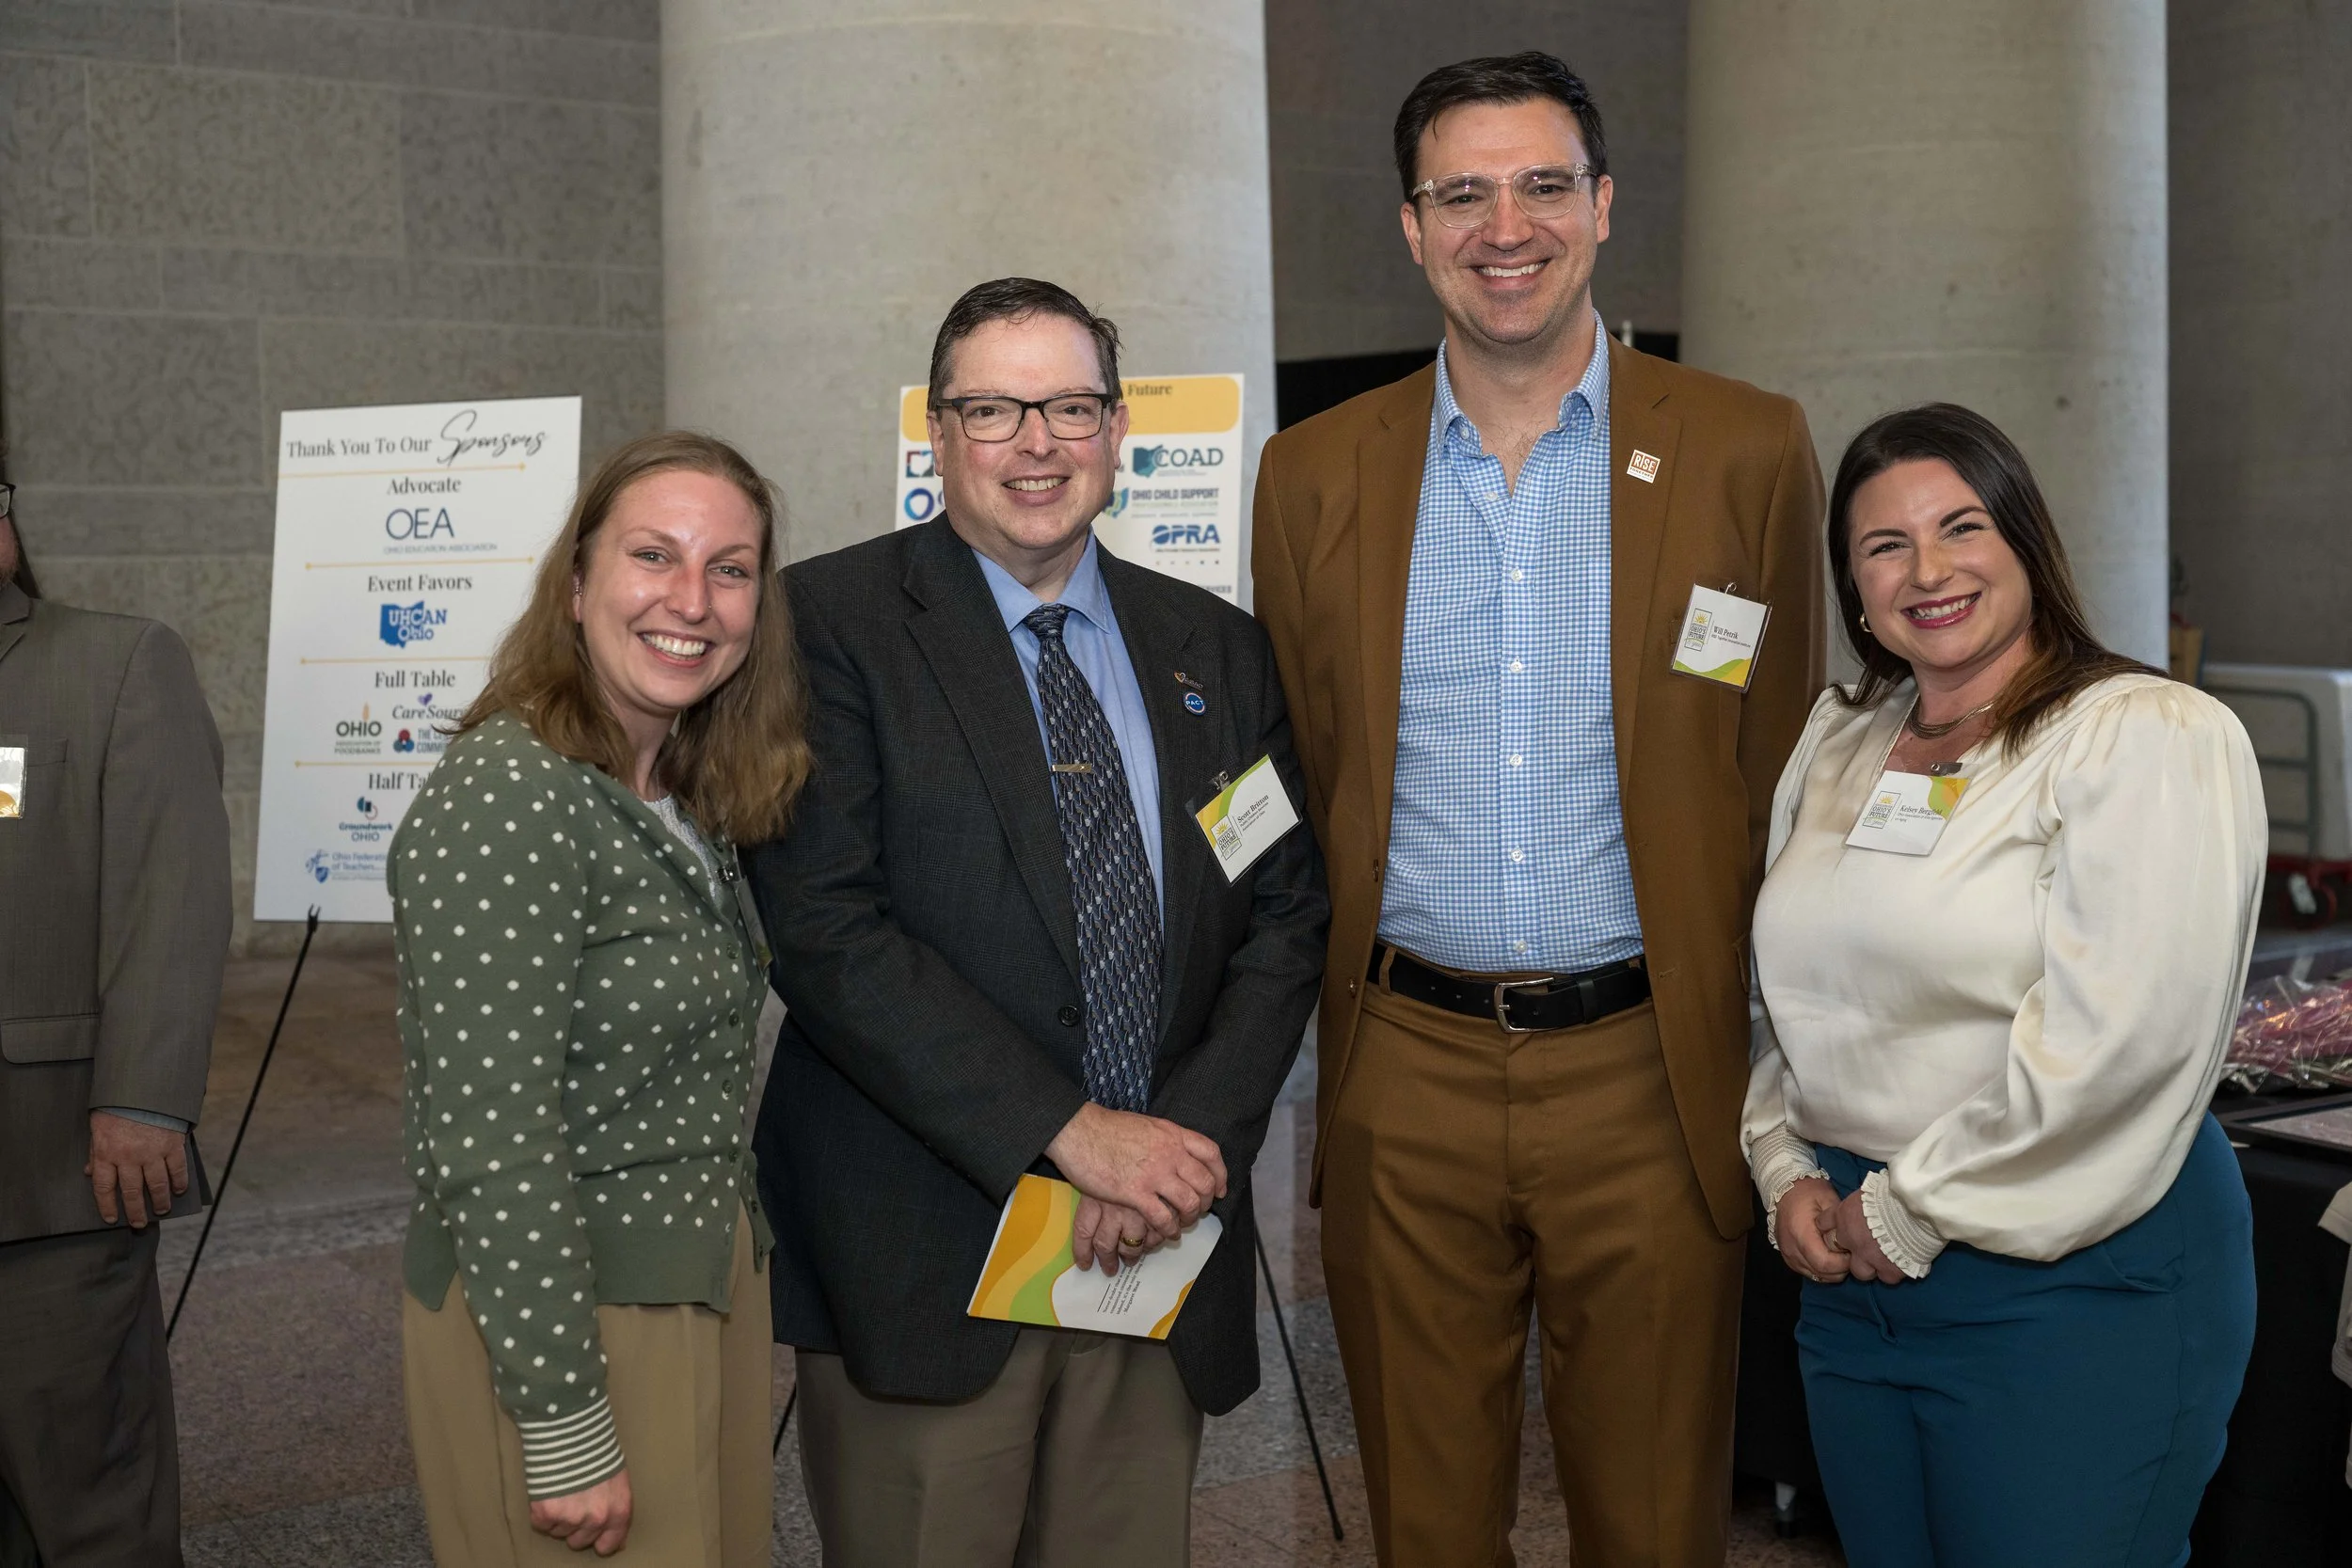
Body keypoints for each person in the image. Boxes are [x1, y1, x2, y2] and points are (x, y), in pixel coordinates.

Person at [1252, 51, 1826, 1565]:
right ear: (1411, 226)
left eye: (1542, 184)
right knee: (1426, 1525)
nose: (1506, 225)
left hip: (1649, 1069)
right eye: (1464, 192)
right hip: (1406, 1067)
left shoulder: (1746, 443)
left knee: (1651, 1518)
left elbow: (1772, 753)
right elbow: (1310, 757)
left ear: (1604, 206)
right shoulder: (1311, 473)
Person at [745, 277, 1328, 1566]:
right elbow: (829, 931)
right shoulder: (824, 626)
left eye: (1069, 404)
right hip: (928, 1247)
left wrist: (1173, 1149)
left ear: (1121, 430)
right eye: (994, 408)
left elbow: (1284, 908)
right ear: (938, 434)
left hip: (1155, 1248)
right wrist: (1077, 1137)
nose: (1036, 442)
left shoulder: (1216, 650)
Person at [1744, 404, 2261, 1566]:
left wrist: (1905, 1206)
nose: (1926, 570)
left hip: (2071, 1277)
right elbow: (1793, 998)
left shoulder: (2140, 734)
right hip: (1848, 1283)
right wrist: (1780, 1164)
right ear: (1852, 584)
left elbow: (2120, 1040)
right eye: (1883, 546)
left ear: (2023, 536)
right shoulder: (1840, 744)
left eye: (1959, 526)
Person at [391, 432, 809, 1566]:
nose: (693, 599)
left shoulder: (669, 782)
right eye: (653, 556)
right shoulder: (510, 794)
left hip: (686, 1288)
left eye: (730, 569)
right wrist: (565, 1419)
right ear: (576, 585)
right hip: (566, 1309)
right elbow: (490, 1135)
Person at [0, 476, 232, 1566]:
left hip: (44, 1175)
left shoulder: (113, 663)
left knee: (88, 1498)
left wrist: (142, 1099)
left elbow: (170, 893)